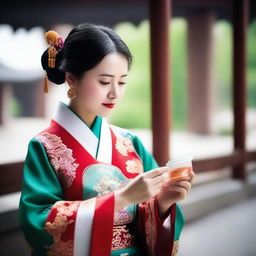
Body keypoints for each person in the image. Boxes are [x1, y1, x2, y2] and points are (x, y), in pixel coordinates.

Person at [19, 23, 195, 256]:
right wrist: (122, 198)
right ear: (71, 79)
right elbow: (39, 222)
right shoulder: (45, 147)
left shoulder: (130, 142)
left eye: (121, 82)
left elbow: (152, 212)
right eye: (104, 82)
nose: (115, 93)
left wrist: (163, 203)